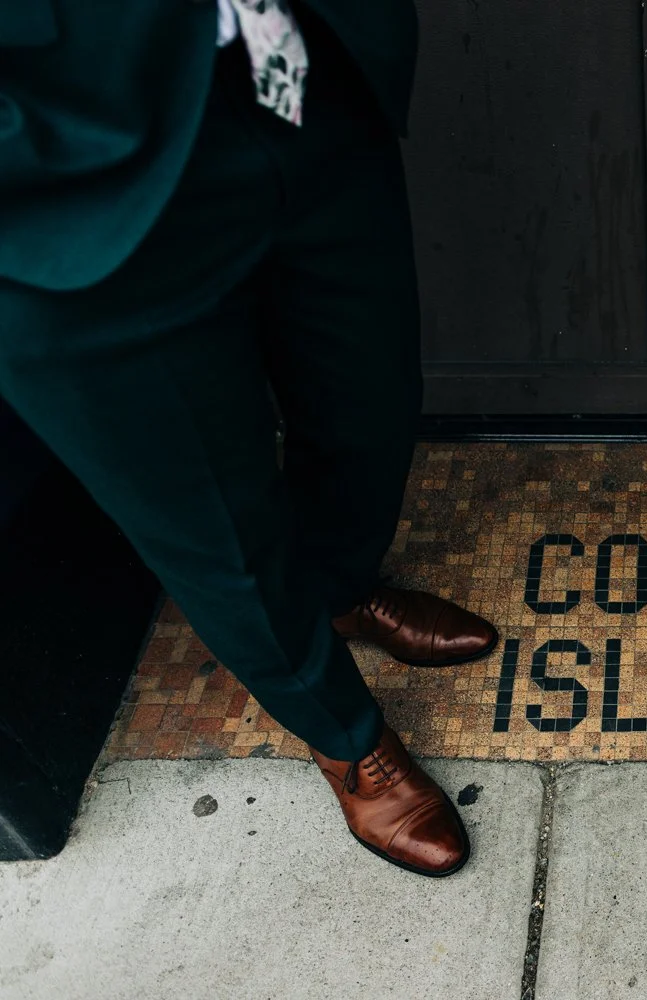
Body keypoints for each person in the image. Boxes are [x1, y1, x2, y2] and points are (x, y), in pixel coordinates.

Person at [0, 0, 496, 877]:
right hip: (62, 186)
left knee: (368, 401)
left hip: (295, 82)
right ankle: (346, 736)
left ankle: (340, 589)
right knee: (213, 525)